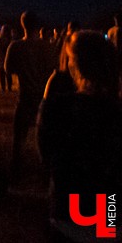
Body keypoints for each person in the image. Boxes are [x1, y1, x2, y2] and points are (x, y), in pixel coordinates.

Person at [37, 30, 122, 242]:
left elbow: (45, 157)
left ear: (75, 65)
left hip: (68, 213)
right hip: (109, 211)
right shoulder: (115, 110)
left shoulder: (57, 107)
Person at [4, 11, 58, 175]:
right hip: (44, 97)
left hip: (25, 96)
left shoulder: (16, 46)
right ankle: (48, 171)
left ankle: (16, 170)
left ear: (22, 25)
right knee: (48, 137)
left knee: (19, 137)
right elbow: (55, 69)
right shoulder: (48, 47)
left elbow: (8, 69)